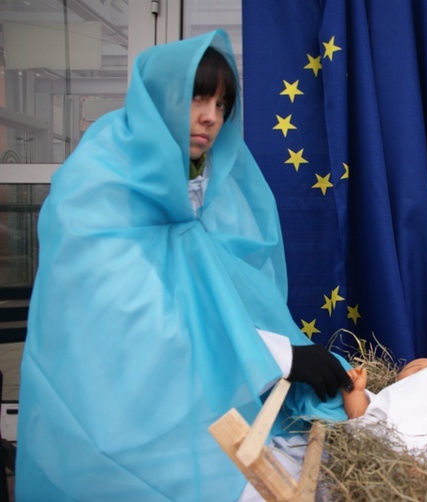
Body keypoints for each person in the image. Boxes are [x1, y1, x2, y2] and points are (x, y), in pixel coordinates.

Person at [15, 30, 352, 501]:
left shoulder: (202, 184)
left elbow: (228, 292)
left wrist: (287, 355)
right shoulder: (97, 185)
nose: (211, 117)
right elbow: (134, 328)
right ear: (162, 98)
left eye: (222, 104)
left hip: (196, 407)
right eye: (197, 97)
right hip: (116, 424)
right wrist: (279, 358)